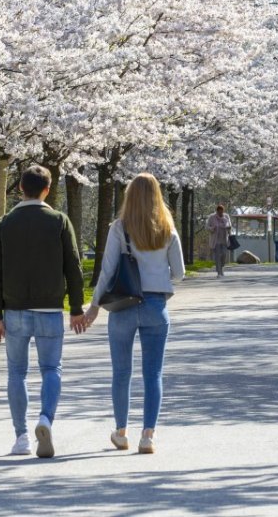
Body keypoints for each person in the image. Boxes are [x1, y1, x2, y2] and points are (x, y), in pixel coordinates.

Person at [0, 164, 87, 458]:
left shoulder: (3, 224)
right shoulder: (59, 221)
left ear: (20, 188)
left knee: (16, 372)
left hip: (14, 309)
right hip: (50, 308)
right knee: (51, 369)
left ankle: (21, 438)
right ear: (47, 189)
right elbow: (74, 268)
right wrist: (76, 308)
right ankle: (45, 419)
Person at [84, 173, 185, 454]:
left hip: (123, 306)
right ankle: (148, 435)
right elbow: (179, 273)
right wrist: (159, 276)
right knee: (153, 374)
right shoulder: (168, 229)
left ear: (129, 196)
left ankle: (121, 432)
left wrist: (94, 306)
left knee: (121, 372)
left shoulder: (119, 228)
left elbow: (107, 271)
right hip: (155, 305)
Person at [206, 204, 233, 277]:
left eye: (222, 211)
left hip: (224, 240)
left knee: (224, 255)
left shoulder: (226, 216)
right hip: (216, 240)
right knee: (217, 256)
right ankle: (219, 272)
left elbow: (230, 225)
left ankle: (221, 267)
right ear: (217, 211)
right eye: (219, 212)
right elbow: (207, 227)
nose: (221, 213)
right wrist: (212, 228)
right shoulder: (212, 217)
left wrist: (228, 227)